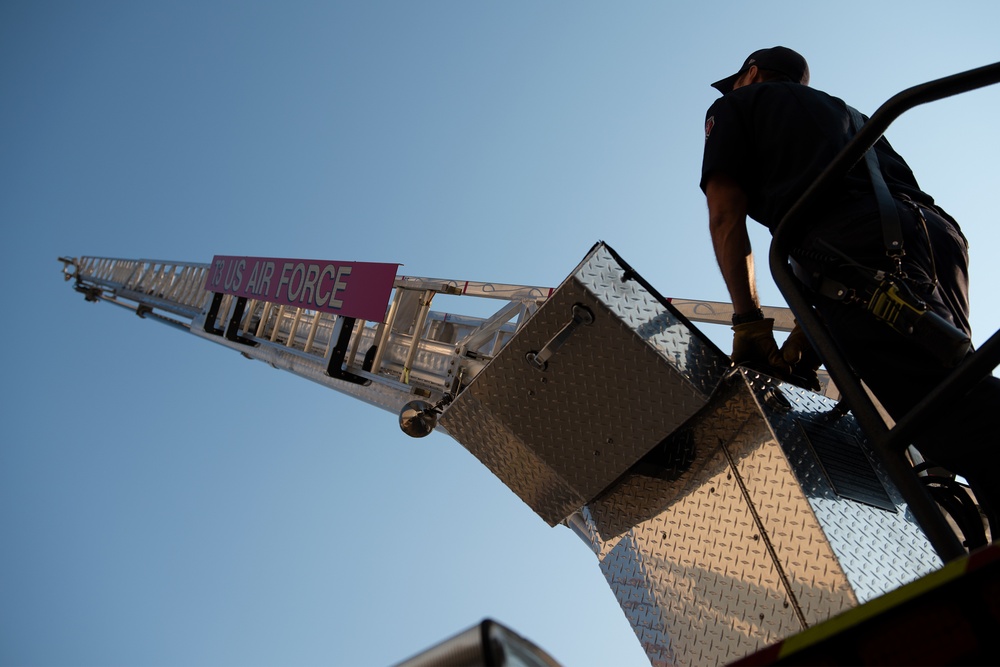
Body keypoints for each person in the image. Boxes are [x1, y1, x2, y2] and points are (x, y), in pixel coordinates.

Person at [700, 46, 1000, 525]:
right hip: (934, 241)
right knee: (949, 380)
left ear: (751, 73)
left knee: (939, 411)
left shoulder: (737, 105)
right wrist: (808, 341)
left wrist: (750, 324)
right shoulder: (848, 114)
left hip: (860, 248)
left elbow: (725, 214)